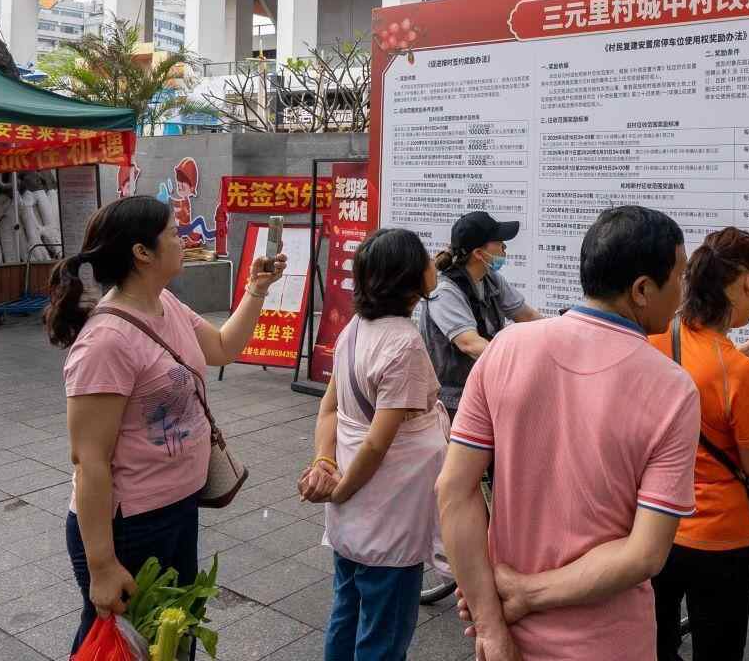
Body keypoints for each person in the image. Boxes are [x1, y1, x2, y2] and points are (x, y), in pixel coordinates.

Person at [437, 205, 700, 661]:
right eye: (679, 276)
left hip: (507, 634)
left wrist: (491, 626)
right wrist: (526, 593)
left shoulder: (506, 348)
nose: (683, 291)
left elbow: (453, 491)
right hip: (609, 644)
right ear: (642, 289)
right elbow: (645, 554)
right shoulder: (673, 389)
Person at [47, 196, 287, 654]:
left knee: (174, 638)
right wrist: (102, 566)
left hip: (179, 507)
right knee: (126, 647)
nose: (185, 240)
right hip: (130, 527)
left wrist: (256, 289)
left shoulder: (166, 304)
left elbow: (222, 348)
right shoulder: (105, 342)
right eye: (175, 233)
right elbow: (89, 460)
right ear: (142, 252)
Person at [300, 227, 448, 661]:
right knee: (383, 634)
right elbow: (378, 445)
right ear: (408, 280)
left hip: (352, 513)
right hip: (388, 514)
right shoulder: (404, 345)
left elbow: (329, 409)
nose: (432, 264)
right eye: (425, 259)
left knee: (346, 613)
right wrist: (341, 490)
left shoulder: (355, 328)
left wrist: (325, 465)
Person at [647, 228, 749, 661]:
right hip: (721, 538)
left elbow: (691, 377)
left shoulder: (657, 338)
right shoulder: (738, 373)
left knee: (654, 643)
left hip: (655, 526)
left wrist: (739, 354)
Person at [420, 211, 543, 419]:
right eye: (499, 242)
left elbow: (527, 316)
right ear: (478, 253)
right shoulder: (445, 291)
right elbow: (470, 344)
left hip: (481, 388)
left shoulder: (491, 279)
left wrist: (565, 329)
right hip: (451, 401)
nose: (504, 247)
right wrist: (519, 362)